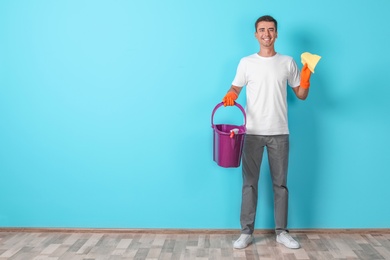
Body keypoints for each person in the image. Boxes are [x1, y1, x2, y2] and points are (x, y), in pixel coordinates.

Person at [222, 15, 312, 249]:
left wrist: (306, 78)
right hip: (251, 133)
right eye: (262, 30)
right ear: (255, 34)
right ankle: (246, 232)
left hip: (280, 132)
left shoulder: (287, 62)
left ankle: (282, 232)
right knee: (249, 184)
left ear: (277, 33)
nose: (266, 34)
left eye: (271, 30)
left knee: (280, 184)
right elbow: (235, 86)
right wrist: (232, 93)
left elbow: (301, 95)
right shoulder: (246, 62)